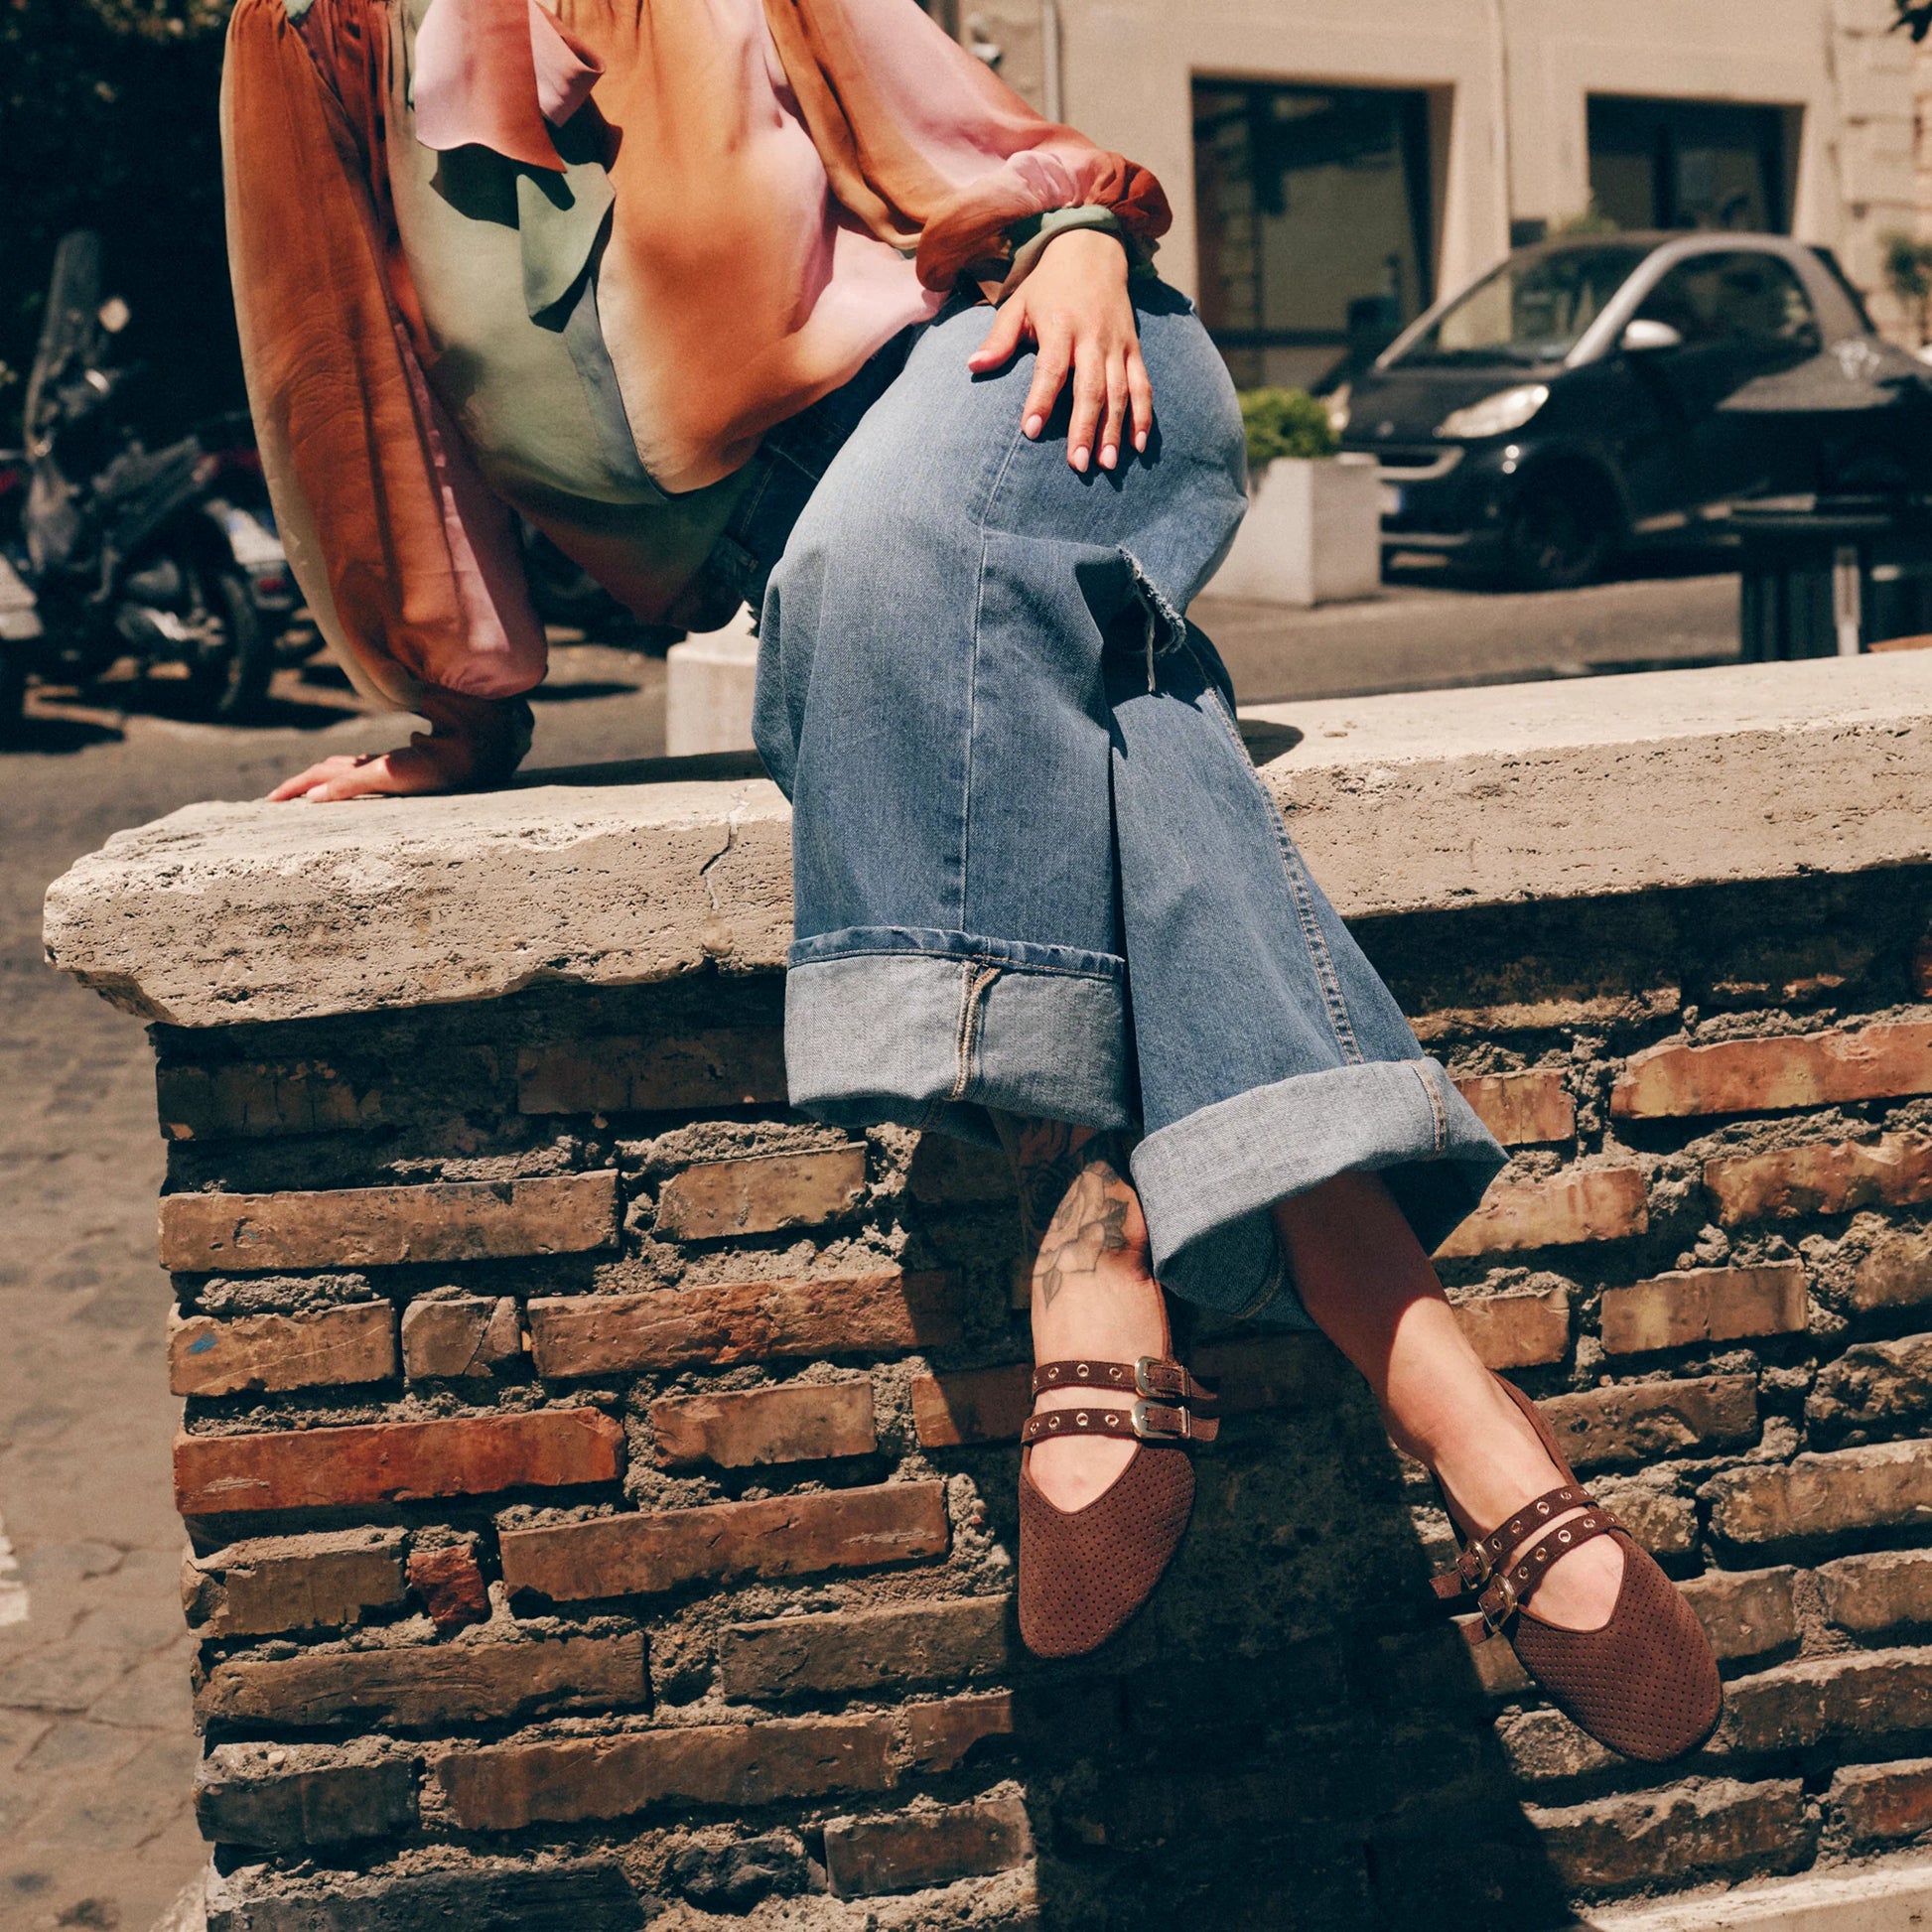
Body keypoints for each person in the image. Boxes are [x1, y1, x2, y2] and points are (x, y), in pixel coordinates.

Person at [224, 0, 1722, 1759]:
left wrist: (1074, 230)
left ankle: (1084, 1249)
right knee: (1124, 732)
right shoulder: (322, 42)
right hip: (842, 565)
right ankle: (1462, 1413)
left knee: (876, 580)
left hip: (1033, 373)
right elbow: (349, 389)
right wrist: (458, 703)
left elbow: (945, 119)